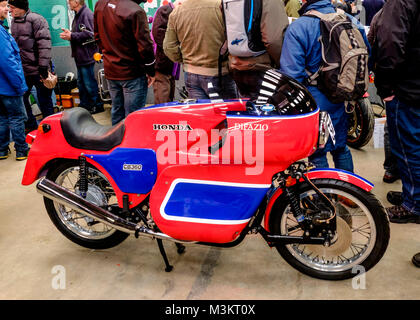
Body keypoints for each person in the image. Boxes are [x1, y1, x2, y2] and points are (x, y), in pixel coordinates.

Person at [280, 0, 356, 172]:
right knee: (340, 147)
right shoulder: (349, 20)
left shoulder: (299, 27)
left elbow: (292, 75)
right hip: (343, 95)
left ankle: (324, 197)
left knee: (317, 152)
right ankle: (351, 194)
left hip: (315, 99)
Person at [373, 0, 420, 267]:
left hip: (407, 88)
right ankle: (413, 194)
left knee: (408, 146)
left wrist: (386, 85)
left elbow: (390, 44)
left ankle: (414, 205)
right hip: (413, 84)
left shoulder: (401, 2)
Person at [94, 0, 156, 125]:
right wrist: (151, 70)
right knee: (133, 119)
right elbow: (145, 46)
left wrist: (109, 55)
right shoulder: (135, 11)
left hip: (112, 70)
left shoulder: (100, 5)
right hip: (132, 74)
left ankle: (116, 142)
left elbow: (97, 37)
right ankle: (130, 144)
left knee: (117, 113)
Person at [163, 0, 237, 100]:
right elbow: (237, 39)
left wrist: (186, 60)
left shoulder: (177, 12)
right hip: (220, 72)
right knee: (225, 113)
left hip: (191, 73)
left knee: (200, 113)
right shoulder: (222, 6)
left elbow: (169, 47)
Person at [227, 0, 289, 100]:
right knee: (265, 112)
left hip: (236, 64)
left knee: (246, 110)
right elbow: (273, 40)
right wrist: (281, 63)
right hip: (262, 68)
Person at [9, 0, 55, 132]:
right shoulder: (13, 22)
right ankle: (31, 126)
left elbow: (44, 44)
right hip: (23, 70)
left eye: (12, 8)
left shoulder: (37, 20)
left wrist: (43, 67)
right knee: (22, 99)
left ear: (21, 7)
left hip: (39, 70)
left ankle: (50, 128)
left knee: (45, 101)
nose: (10, 11)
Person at [60, 0, 104, 115]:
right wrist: (71, 34)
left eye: (69, 1)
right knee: (82, 84)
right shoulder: (79, 15)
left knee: (89, 84)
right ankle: (85, 106)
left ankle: (97, 106)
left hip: (87, 56)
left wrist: (72, 35)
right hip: (81, 56)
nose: (68, 3)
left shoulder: (86, 14)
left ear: (76, 1)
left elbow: (91, 34)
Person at [0, 13, 29, 161]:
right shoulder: (0, 33)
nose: (7, 10)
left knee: (2, 117)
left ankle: (2, 150)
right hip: (8, 85)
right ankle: (22, 150)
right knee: (16, 117)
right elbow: (7, 62)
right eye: (4, 5)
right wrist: (18, 84)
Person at [151, 1, 177, 104]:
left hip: (168, 61)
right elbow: (158, 34)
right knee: (163, 97)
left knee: (168, 95)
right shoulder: (166, 11)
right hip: (162, 61)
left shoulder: (170, 10)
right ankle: (161, 119)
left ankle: (167, 118)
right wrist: (174, 48)